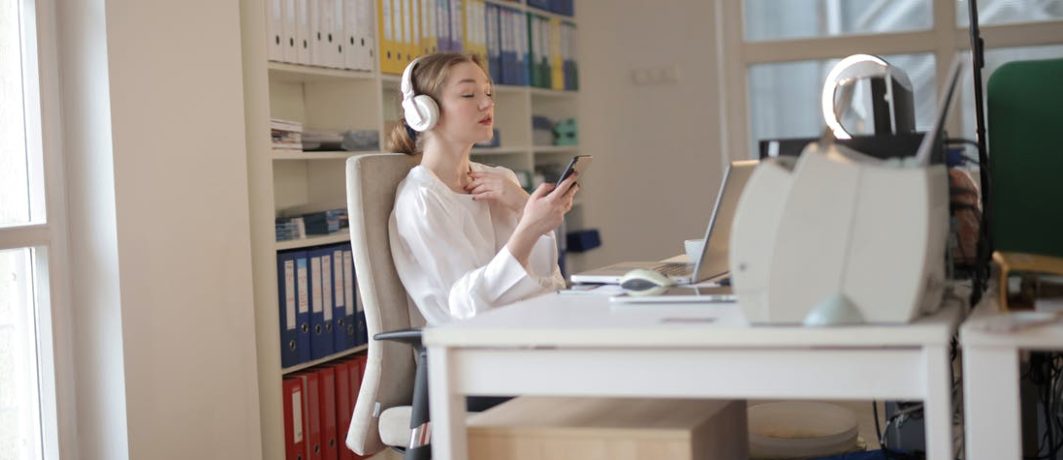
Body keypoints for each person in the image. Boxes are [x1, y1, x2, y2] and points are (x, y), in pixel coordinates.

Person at [388, 52, 579, 326]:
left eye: (488, 93)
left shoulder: (500, 180)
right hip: (471, 352)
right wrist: (531, 226)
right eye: (468, 94)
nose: (486, 103)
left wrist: (525, 208)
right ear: (424, 111)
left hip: (529, 332)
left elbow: (549, 284)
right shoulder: (421, 198)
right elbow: (468, 308)